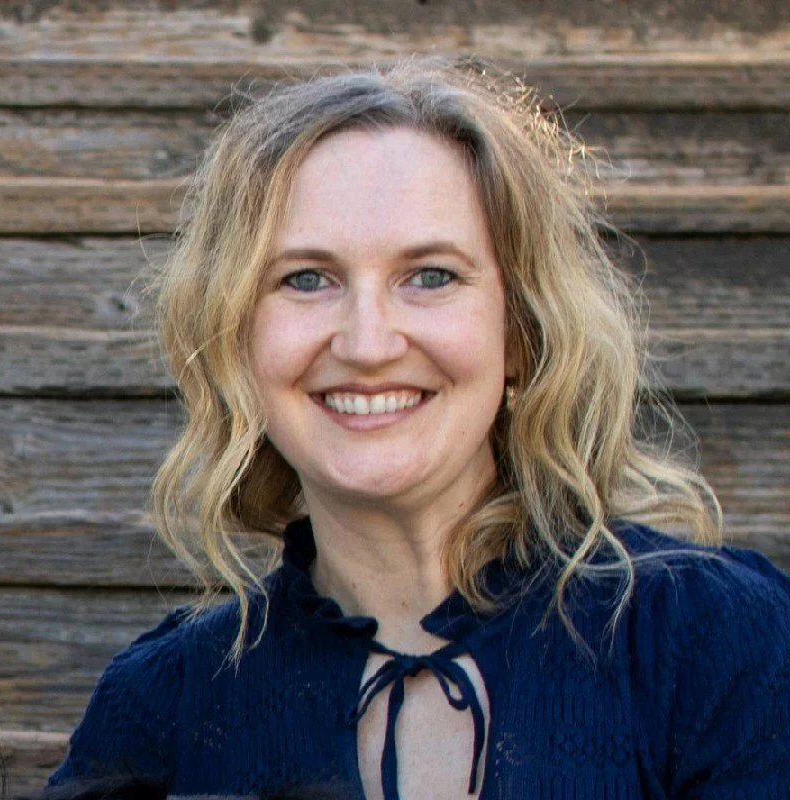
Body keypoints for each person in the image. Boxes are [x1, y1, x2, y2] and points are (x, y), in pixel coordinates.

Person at [48, 60, 790, 799]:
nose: (367, 344)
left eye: (430, 275)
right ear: (235, 340)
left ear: (522, 334)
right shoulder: (161, 710)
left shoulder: (715, 643)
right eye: (306, 278)